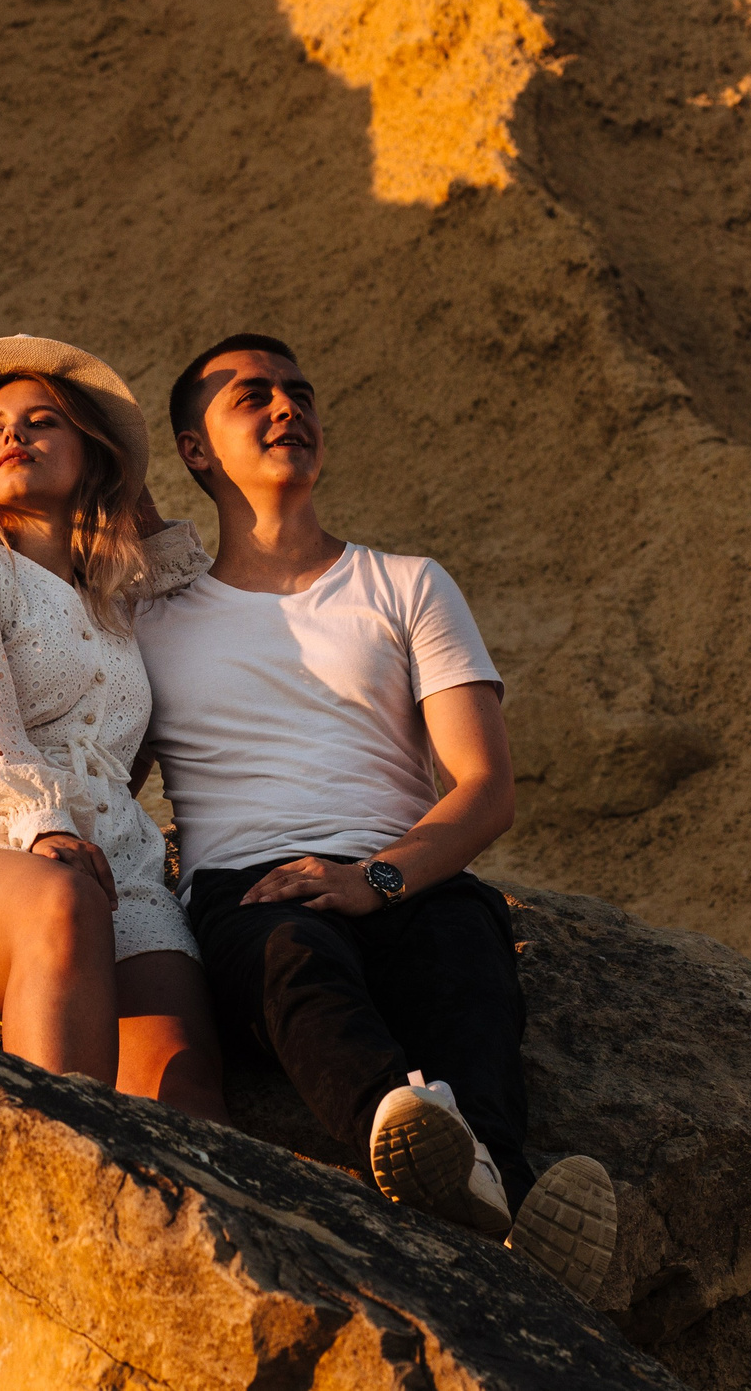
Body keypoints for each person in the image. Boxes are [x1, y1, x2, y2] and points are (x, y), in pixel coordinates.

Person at [133, 331, 619, 1302]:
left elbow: (484, 787)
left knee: (463, 960)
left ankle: (483, 1191)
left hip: (405, 875)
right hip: (252, 892)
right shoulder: (155, 619)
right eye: (251, 397)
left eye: (300, 393)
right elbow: (97, 765)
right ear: (194, 451)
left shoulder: (406, 583)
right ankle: (466, 1186)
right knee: (292, 961)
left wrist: (376, 879)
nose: (286, 408)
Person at [0, 335, 228, 1120]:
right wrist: (40, 825)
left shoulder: (116, 606)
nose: (13, 436)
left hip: (121, 864)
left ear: (88, 456)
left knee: (189, 1086)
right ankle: (47, 1185)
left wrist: (138, 507)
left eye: (42, 422)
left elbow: (192, 601)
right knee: (59, 903)